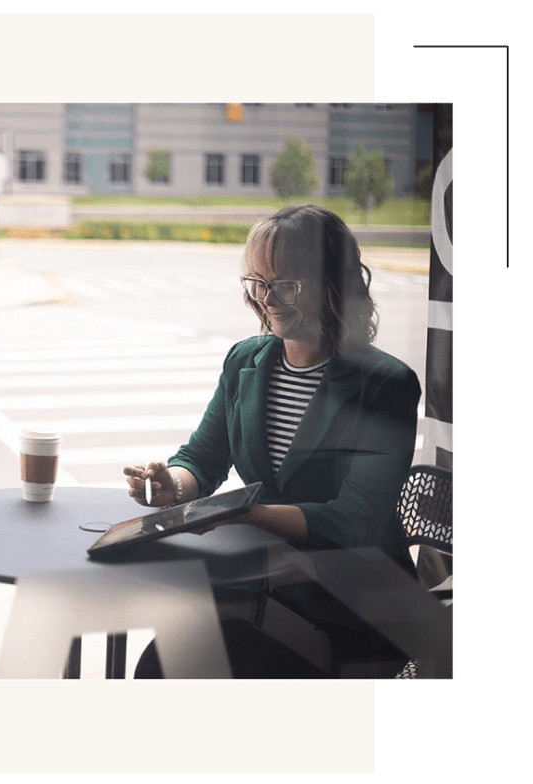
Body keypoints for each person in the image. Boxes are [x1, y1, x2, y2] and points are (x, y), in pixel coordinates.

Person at [123, 204, 421, 678]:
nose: (267, 298)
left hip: (352, 598)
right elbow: (202, 457)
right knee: (161, 662)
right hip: (266, 582)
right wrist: (172, 486)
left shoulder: (385, 384)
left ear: (335, 283)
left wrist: (248, 514)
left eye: (286, 284)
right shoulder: (246, 360)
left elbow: (356, 520)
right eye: (258, 283)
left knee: (201, 665)